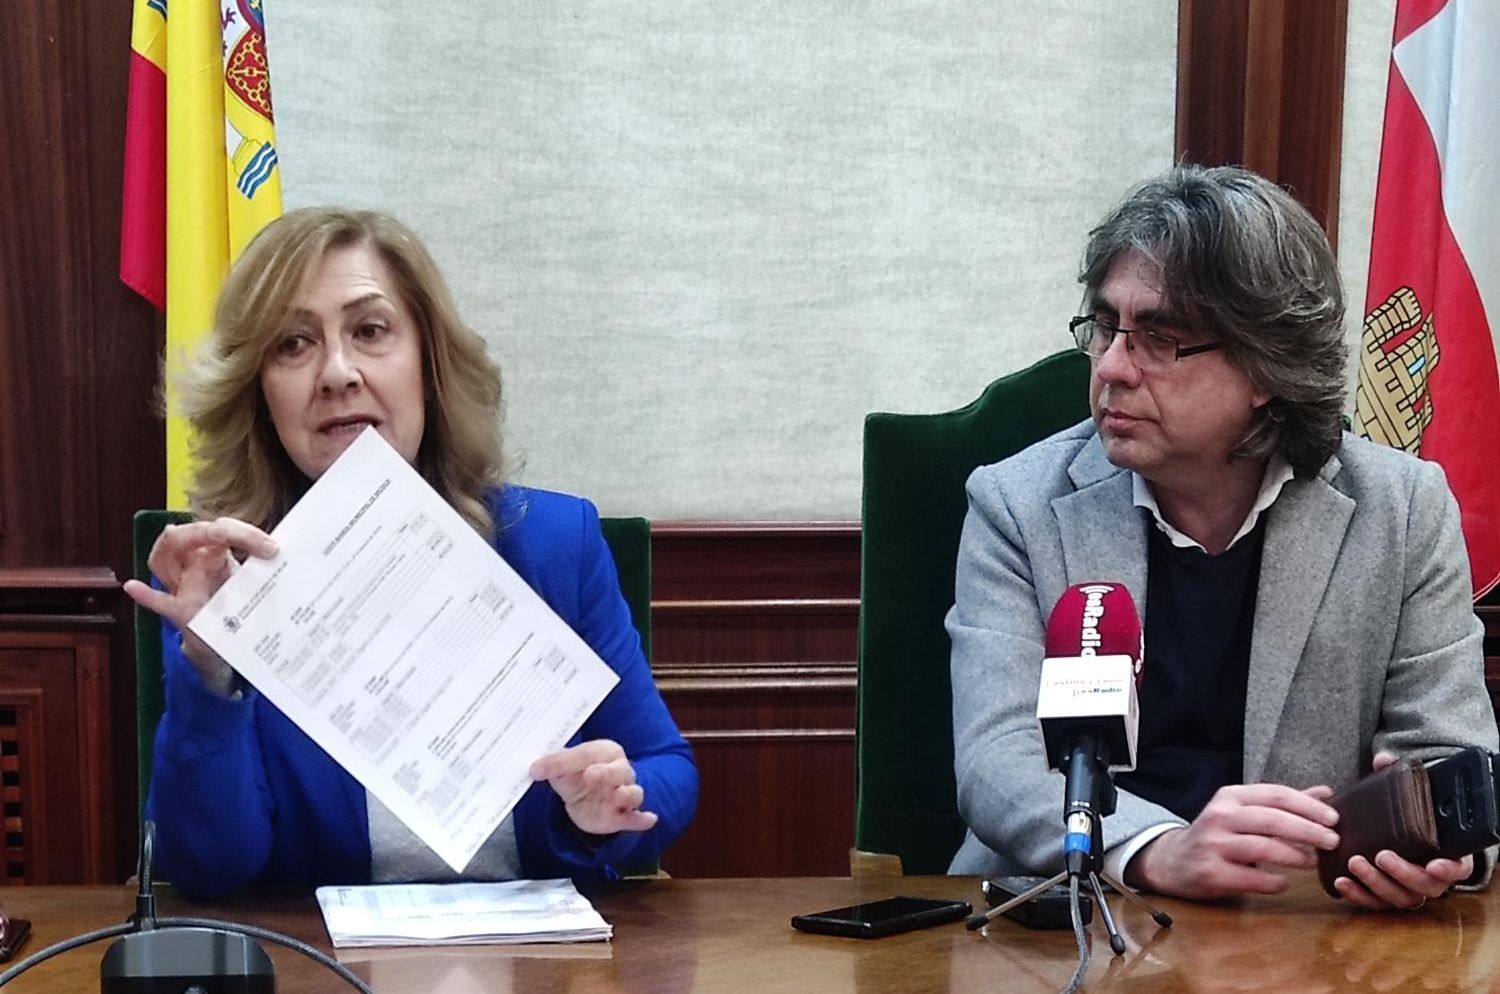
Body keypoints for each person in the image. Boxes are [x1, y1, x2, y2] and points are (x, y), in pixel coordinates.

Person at [947, 164, 1497, 910]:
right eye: (1105, 327)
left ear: (1266, 366)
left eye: (1159, 338)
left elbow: (1450, 754)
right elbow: (997, 760)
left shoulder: (1400, 510)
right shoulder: (1018, 505)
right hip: (1064, 912)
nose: (1112, 367)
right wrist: (1153, 848)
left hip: (1302, 922)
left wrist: (1440, 851)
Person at [124, 207, 697, 899]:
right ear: (257, 390)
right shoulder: (223, 576)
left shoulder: (553, 541)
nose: (337, 372)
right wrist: (210, 663)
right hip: (323, 953)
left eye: (370, 331)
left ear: (428, 362)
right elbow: (210, 867)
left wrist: (606, 805)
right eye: (293, 344)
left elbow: (667, 769)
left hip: (541, 949)